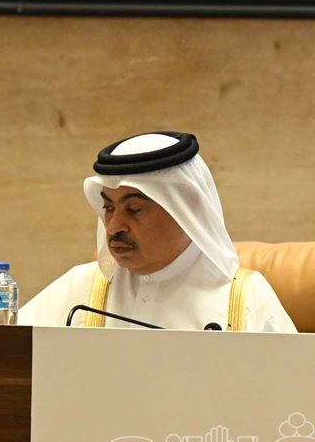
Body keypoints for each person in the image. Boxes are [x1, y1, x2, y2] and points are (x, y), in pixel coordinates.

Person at [20, 131, 297, 332]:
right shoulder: (81, 289)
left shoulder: (242, 300)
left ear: (184, 211)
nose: (114, 227)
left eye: (134, 210)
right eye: (109, 208)